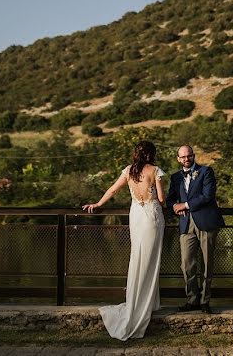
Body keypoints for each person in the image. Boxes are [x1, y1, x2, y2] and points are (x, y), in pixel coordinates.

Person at [82, 140, 166, 340]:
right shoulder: (155, 171)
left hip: (136, 216)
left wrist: (98, 203)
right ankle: (145, 304)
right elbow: (162, 200)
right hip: (151, 217)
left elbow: (112, 190)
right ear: (150, 154)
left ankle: (143, 301)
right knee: (150, 261)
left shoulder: (128, 171)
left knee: (137, 258)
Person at [166, 144, 224, 314]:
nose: (186, 159)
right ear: (178, 159)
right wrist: (175, 205)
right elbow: (170, 200)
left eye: (189, 156)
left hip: (206, 222)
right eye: (182, 157)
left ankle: (205, 301)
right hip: (185, 223)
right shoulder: (175, 177)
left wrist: (185, 204)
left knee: (207, 263)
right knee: (187, 264)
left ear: (193, 155)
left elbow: (208, 196)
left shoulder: (206, 172)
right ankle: (192, 300)